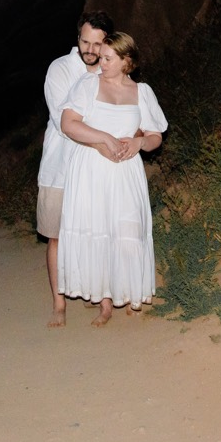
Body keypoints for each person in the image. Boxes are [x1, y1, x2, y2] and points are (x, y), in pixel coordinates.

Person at [56, 31, 166, 326]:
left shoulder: (142, 92)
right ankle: (105, 302)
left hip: (126, 172)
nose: (100, 63)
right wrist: (103, 138)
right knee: (99, 230)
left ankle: (131, 292)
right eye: (101, 57)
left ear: (125, 61)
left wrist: (139, 144)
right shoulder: (88, 85)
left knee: (128, 230)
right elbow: (69, 124)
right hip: (92, 169)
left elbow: (155, 135)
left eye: (107, 58)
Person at [38, 10, 114, 327]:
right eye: (86, 41)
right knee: (56, 238)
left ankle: (103, 300)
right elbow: (64, 122)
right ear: (77, 38)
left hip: (97, 170)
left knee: (98, 235)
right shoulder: (59, 69)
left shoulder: (112, 72)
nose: (91, 50)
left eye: (98, 44)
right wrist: (103, 139)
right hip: (58, 168)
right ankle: (59, 304)